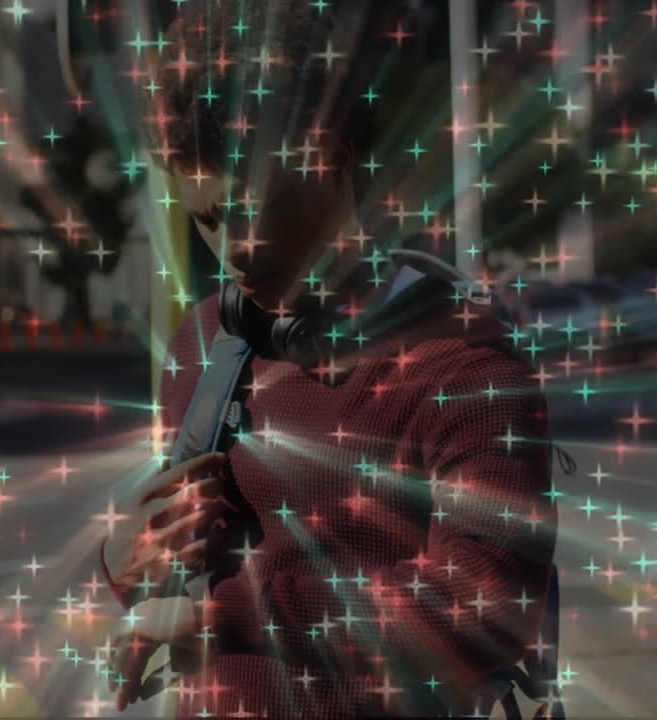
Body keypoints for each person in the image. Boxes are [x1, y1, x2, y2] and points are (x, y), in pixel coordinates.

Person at [98, 2, 558, 718]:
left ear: (333, 152)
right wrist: (130, 562)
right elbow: (182, 587)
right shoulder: (202, 341)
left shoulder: (463, 363)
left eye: (255, 207)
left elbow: (491, 605)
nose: (235, 248)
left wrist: (225, 620)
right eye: (208, 216)